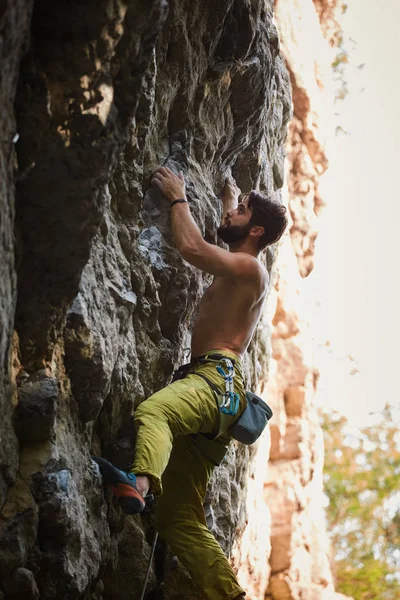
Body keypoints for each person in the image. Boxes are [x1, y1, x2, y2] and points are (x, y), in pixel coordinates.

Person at [94, 167, 288, 600]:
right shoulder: (241, 265)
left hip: (214, 382)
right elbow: (225, 237)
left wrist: (178, 197)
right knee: (179, 520)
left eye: (241, 212)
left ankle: (139, 484)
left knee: (155, 411)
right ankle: (230, 595)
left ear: (255, 229)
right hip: (219, 400)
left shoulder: (252, 271)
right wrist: (228, 199)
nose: (232, 213)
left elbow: (193, 248)